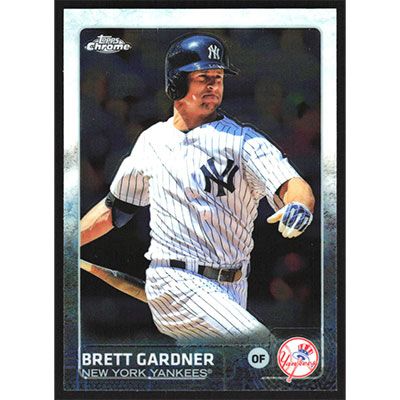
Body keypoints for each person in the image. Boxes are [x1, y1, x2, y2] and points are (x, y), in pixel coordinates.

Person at [80, 33, 315, 344]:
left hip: (232, 286)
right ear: (177, 83)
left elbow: (294, 186)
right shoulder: (152, 141)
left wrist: (298, 205)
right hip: (174, 279)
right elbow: (115, 209)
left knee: (227, 371)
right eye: (204, 77)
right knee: (263, 351)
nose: (213, 86)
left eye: (218, 78)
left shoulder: (243, 141)